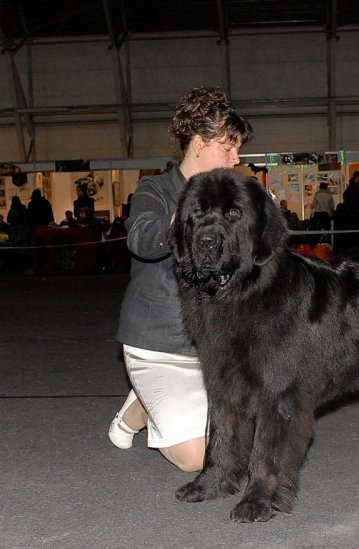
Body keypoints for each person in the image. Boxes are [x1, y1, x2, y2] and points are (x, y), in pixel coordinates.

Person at [108, 86, 253, 472]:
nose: (236, 158)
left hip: (211, 344)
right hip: (156, 343)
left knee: (245, 439)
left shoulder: (232, 195)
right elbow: (142, 240)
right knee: (197, 461)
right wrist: (191, 211)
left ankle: (145, 401)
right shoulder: (153, 189)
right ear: (200, 143)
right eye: (229, 148)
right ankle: (140, 403)